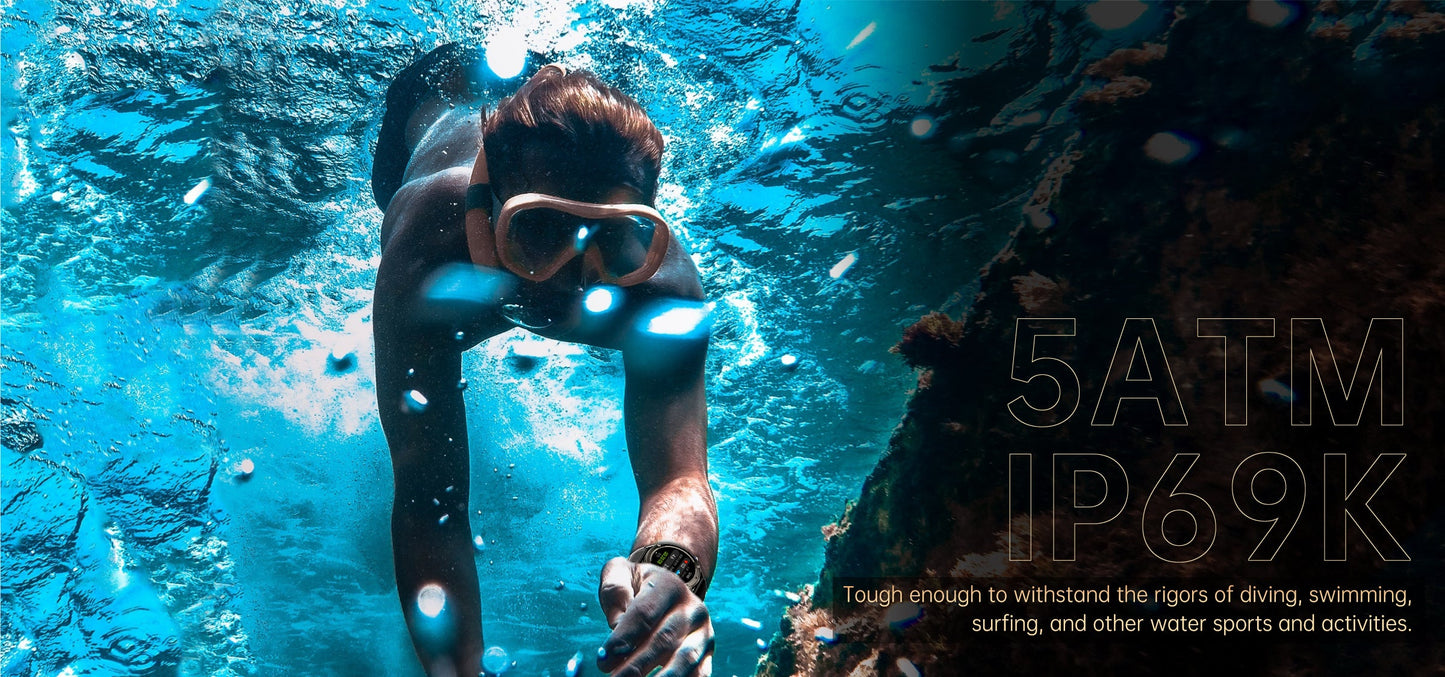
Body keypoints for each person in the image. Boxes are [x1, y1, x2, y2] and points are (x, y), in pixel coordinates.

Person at [371, 44, 718, 677]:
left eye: (609, 239)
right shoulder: (426, 247)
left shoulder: (662, 288)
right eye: (536, 233)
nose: (572, 285)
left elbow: (680, 481)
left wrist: (672, 575)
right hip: (426, 97)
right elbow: (427, 500)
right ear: (484, 205)